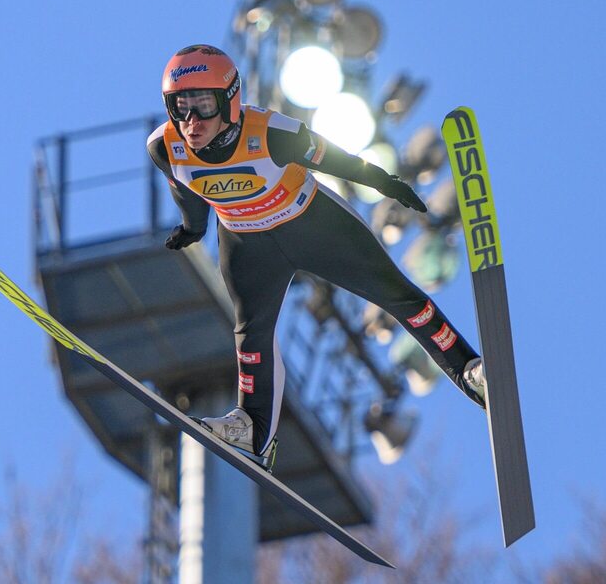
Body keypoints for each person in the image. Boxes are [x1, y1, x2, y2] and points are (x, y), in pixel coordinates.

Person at [147, 44, 485, 470]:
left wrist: (387, 183)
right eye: (180, 107)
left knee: (399, 296)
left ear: (230, 100)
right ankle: (253, 429)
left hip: (312, 226)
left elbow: (340, 160)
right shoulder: (165, 146)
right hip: (247, 242)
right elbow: (186, 189)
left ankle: (468, 370)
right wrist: (193, 228)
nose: (191, 122)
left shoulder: (271, 132)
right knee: (250, 336)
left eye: (202, 106)